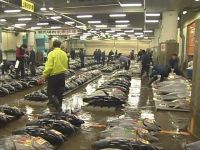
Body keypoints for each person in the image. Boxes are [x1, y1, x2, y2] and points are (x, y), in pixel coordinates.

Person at [43, 40, 68, 112]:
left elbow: (49, 66)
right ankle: (59, 107)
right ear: (60, 45)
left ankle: (58, 107)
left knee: (50, 93)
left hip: (53, 76)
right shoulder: (64, 53)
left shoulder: (51, 53)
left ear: (53, 46)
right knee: (60, 92)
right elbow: (66, 64)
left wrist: (45, 74)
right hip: (62, 75)